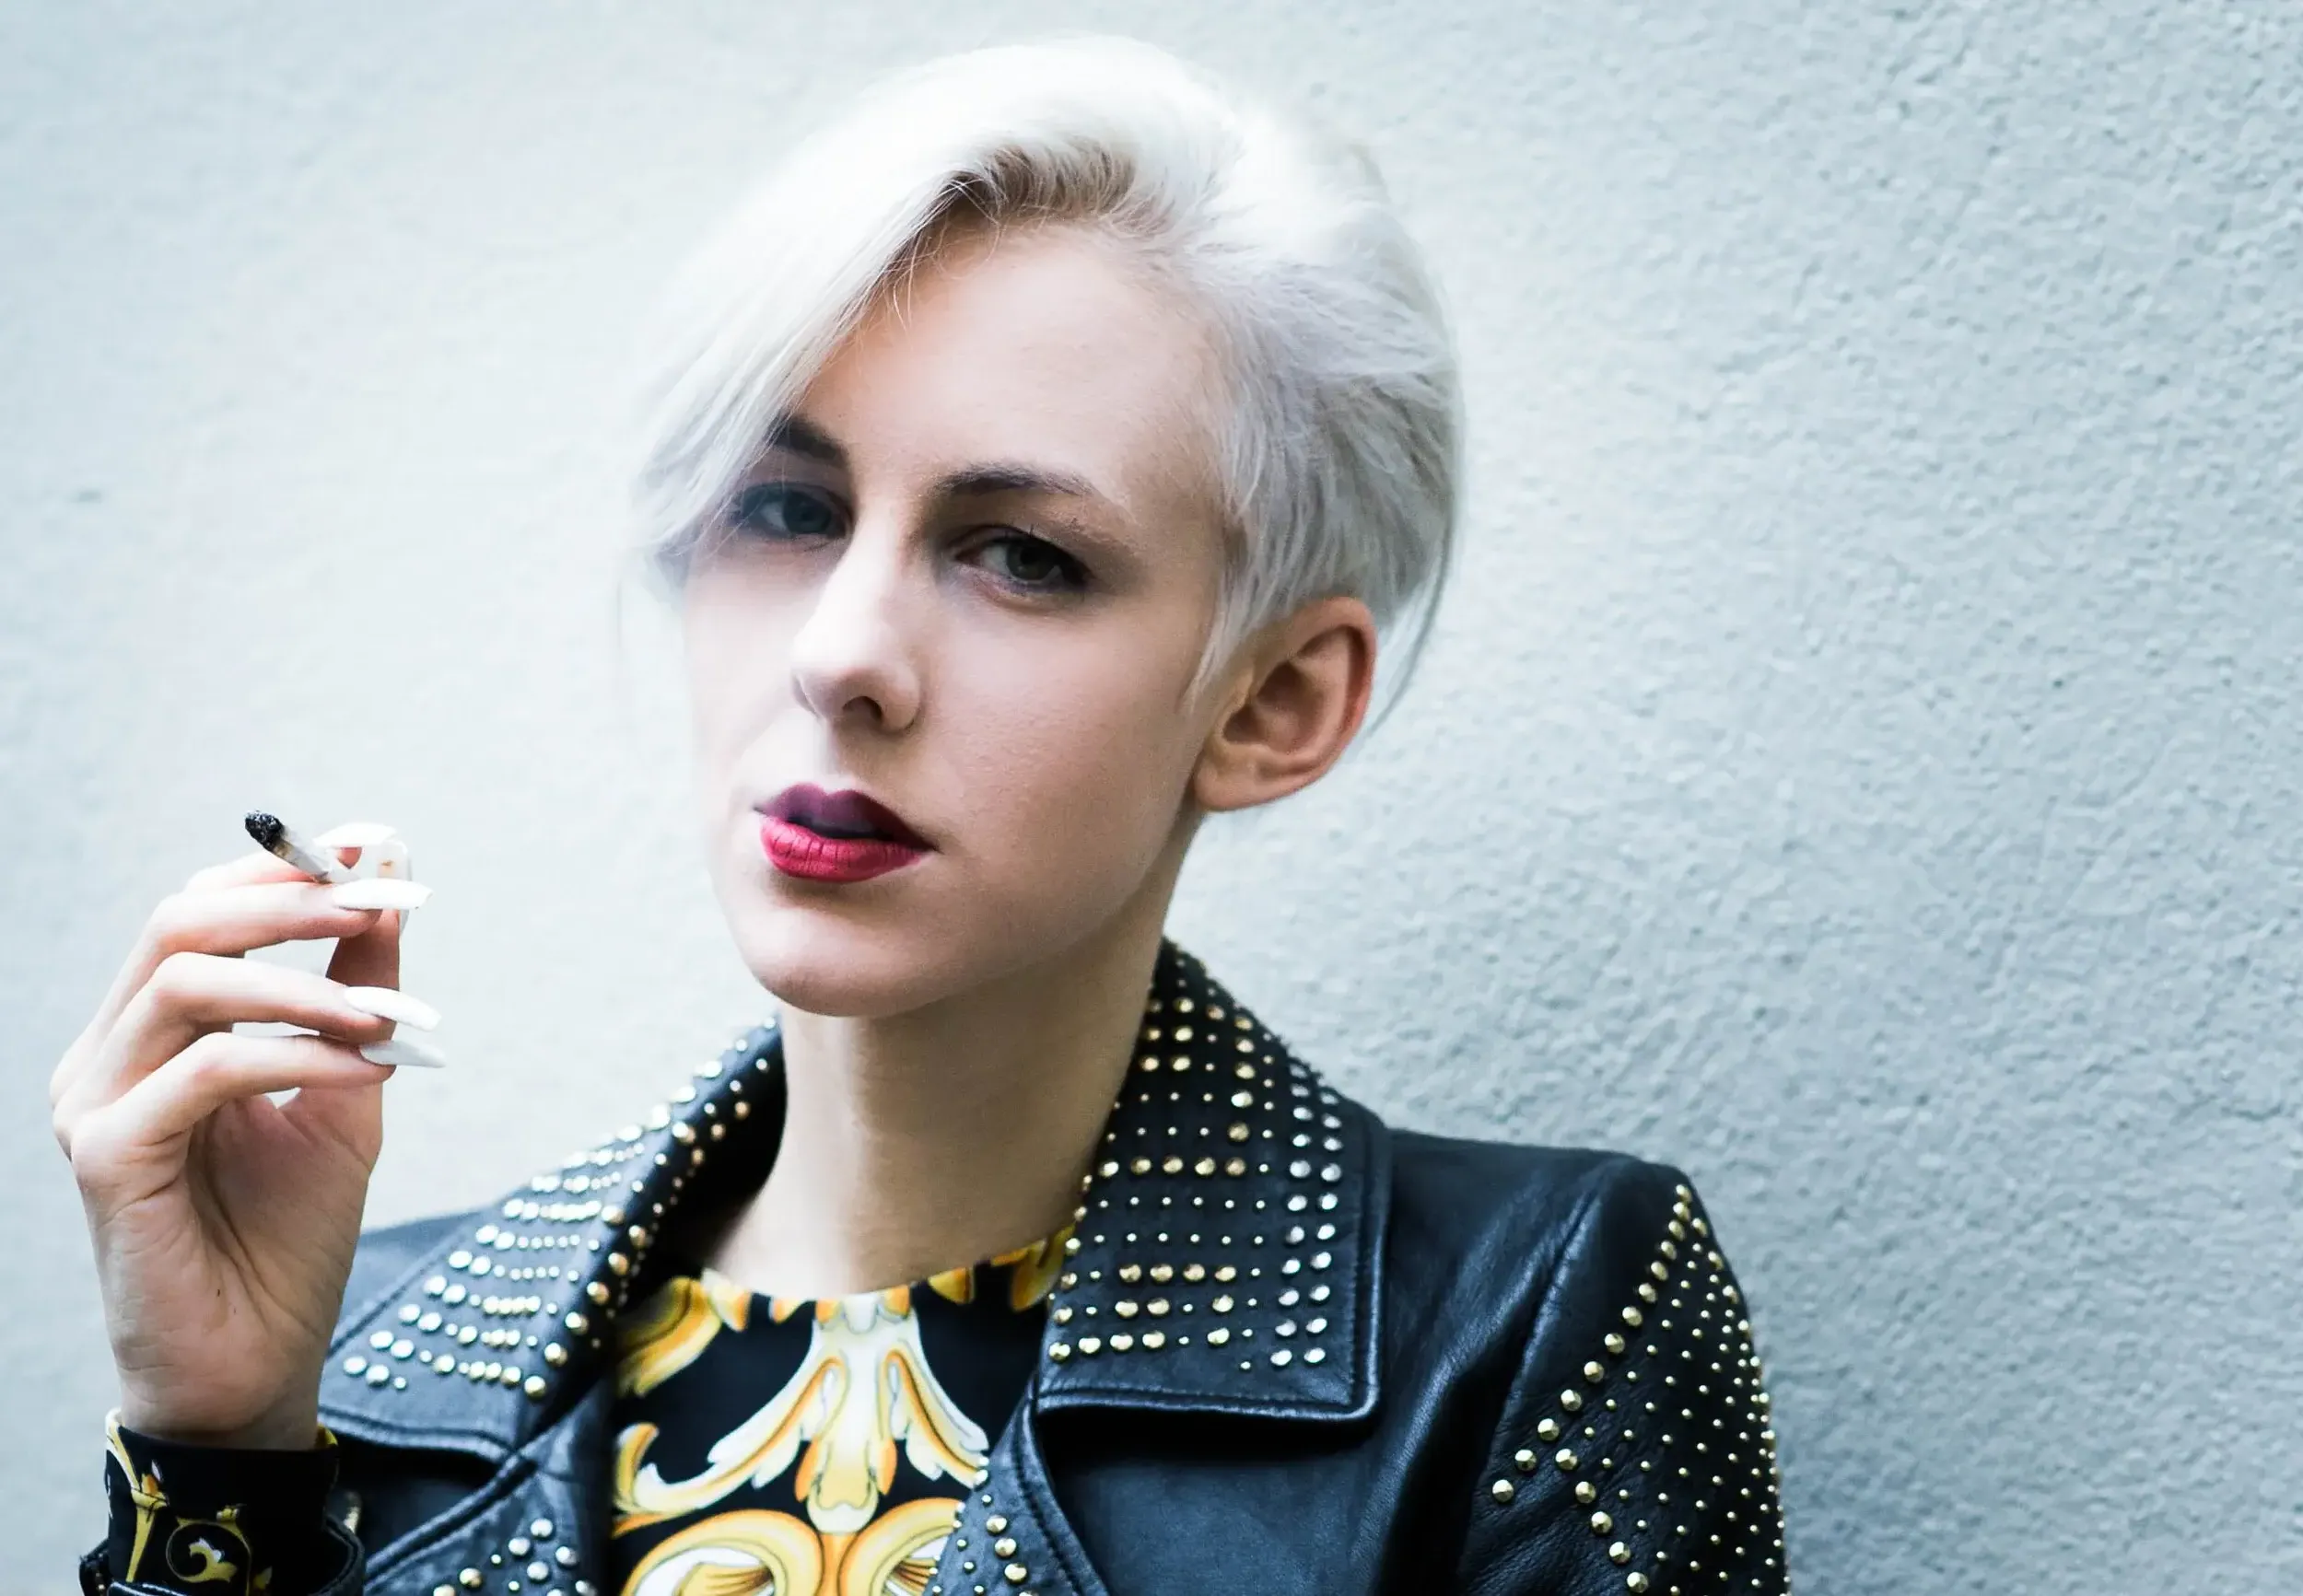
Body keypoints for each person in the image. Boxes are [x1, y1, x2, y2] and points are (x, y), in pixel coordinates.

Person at [53, 35, 1789, 1596]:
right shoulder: (356, 1354)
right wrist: (223, 1456)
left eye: (1021, 554)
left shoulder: (1522, 1325)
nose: (841, 655)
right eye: (786, 508)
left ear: (1272, 704)